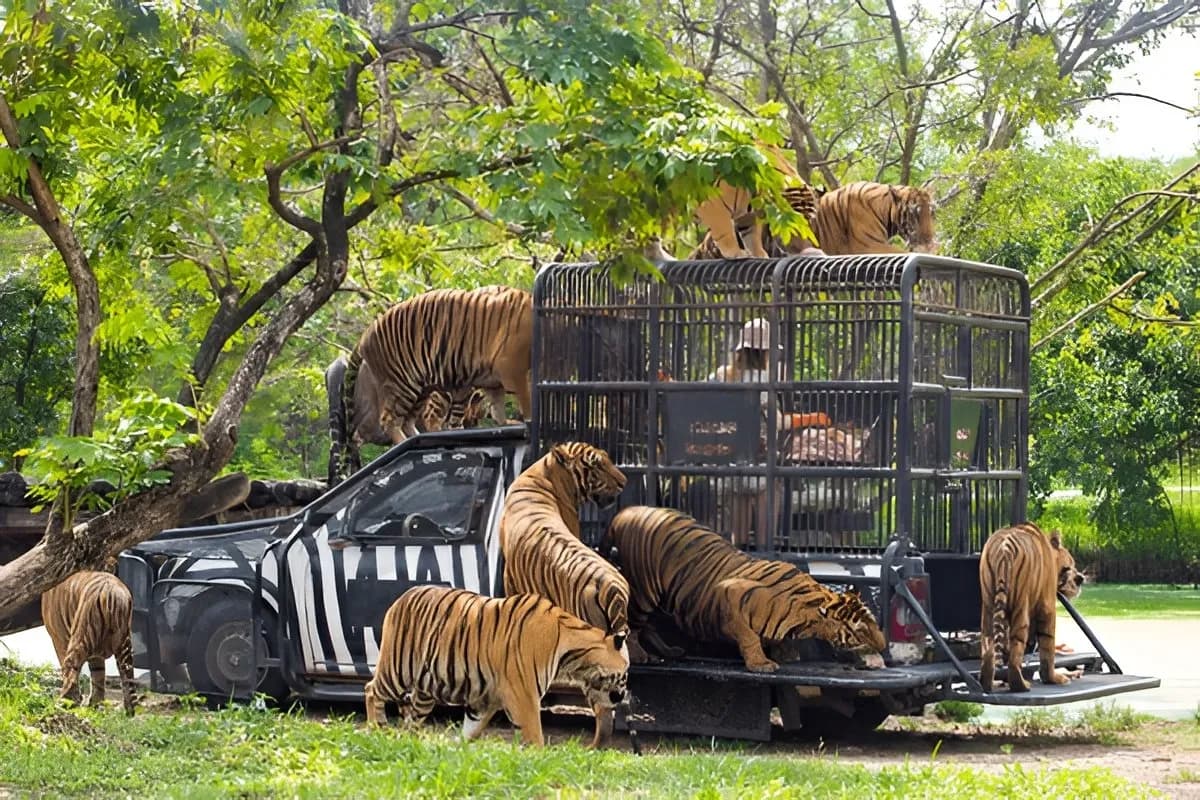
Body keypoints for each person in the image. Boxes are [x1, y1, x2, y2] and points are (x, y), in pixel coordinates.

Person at [708, 318, 786, 548]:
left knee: (738, 540)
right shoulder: (766, 380)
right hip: (761, 465)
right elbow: (777, 423)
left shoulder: (723, 376)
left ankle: (738, 554)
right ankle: (765, 554)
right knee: (765, 539)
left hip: (733, 466)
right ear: (765, 352)